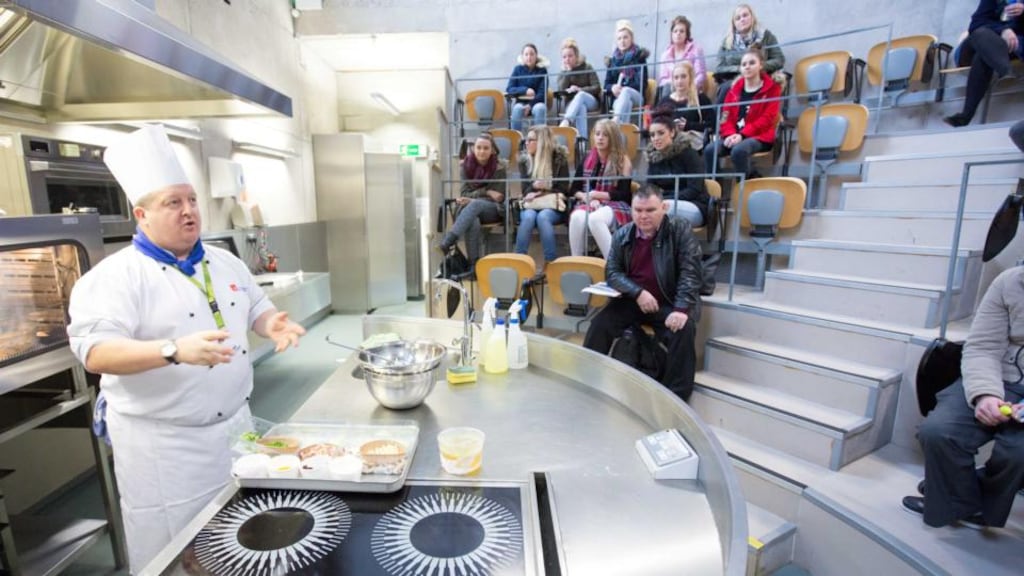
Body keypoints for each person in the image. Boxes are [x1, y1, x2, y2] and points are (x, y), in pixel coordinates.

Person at [67, 125, 307, 572]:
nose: (188, 211)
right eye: (172, 203)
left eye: (192, 200)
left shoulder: (223, 260)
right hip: (166, 448)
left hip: (235, 429)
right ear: (142, 215)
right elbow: (96, 353)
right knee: (176, 553)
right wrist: (172, 350)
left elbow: (256, 306)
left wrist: (271, 323)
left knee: (239, 539)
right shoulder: (114, 278)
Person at [902, 266, 1024, 529]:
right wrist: (985, 395)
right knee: (938, 431)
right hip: (998, 376)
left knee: (1017, 453)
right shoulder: (1009, 282)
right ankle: (962, 502)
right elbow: (982, 346)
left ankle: (967, 499)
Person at [583, 184, 703, 400]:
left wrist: (681, 308)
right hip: (634, 301)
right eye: (638, 210)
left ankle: (675, 398)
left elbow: (690, 272)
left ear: (664, 208)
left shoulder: (680, 230)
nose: (643, 216)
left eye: (650, 210)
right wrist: (638, 293)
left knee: (683, 330)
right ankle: (587, 380)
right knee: (599, 325)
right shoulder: (623, 234)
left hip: (668, 301)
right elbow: (612, 272)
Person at [944, 0, 1023, 128]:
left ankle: (966, 116)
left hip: (1008, 46)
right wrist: (1003, 30)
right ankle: (1006, 72)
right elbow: (976, 23)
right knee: (981, 34)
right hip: (978, 41)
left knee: (982, 55)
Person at [704, 48, 781, 179]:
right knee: (710, 150)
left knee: (738, 150)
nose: (747, 67)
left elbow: (767, 118)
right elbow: (725, 117)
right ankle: (715, 189)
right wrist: (730, 134)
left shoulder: (773, 89)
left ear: (761, 65)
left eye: (752, 63)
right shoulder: (733, 90)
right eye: (744, 64)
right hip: (734, 135)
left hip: (759, 136)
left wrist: (742, 134)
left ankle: (745, 185)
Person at [440, 132, 508, 267]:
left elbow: (498, 197)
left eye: (486, 148)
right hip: (470, 211)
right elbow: (464, 193)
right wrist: (487, 191)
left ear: (492, 150)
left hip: (492, 209)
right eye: (479, 147)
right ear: (474, 148)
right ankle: (473, 265)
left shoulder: (500, 167)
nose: (482, 151)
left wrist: (473, 199)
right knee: (473, 221)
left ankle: (449, 240)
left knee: (476, 204)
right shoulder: (465, 166)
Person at [568, 119, 633, 258]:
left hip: (616, 204)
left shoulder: (623, 160)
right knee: (577, 217)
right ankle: (577, 261)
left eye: (605, 135)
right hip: (589, 202)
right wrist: (586, 197)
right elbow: (573, 190)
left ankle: (613, 263)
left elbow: (624, 194)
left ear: (613, 138)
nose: (600, 138)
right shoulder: (587, 159)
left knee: (595, 219)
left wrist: (596, 195)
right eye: (597, 134)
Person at [644, 106, 710, 227]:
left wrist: (663, 199)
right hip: (663, 203)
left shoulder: (689, 154)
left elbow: (694, 189)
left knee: (663, 209)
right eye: (652, 135)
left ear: (672, 132)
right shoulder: (654, 158)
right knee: (641, 209)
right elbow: (650, 188)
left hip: (695, 205)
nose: (656, 138)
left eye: (661, 133)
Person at [515, 125, 571, 265]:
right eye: (526, 140)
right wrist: (534, 186)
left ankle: (550, 263)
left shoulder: (559, 159)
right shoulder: (524, 161)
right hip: (532, 204)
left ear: (542, 142)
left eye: (531, 140)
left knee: (543, 217)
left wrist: (546, 187)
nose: (526, 143)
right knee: (528, 217)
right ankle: (519, 262)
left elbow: (564, 189)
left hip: (552, 205)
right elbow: (525, 190)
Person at [714, 3, 785, 102]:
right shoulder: (727, 42)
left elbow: (779, 59)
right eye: (738, 18)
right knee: (726, 89)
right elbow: (719, 68)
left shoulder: (766, 36)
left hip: (761, 76)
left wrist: (758, 67)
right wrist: (740, 69)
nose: (742, 19)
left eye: (745, 15)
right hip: (734, 78)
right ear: (734, 24)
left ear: (752, 17)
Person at [656, 61, 717, 142]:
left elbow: (712, 125)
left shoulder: (701, 99)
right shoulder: (664, 101)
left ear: (690, 78)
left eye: (683, 77)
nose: (679, 81)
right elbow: (655, 124)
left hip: (691, 141)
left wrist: (689, 125)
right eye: (676, 78)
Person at [605, 19, 651, 125]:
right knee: (627, 103)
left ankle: (615, 121)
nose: (622, 41)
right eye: (619, 38)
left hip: (636, 95)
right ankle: (623, 133)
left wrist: (623, 87)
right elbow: (606, 84)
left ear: (631, 38)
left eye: (625, 37)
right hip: (618, 99)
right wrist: (612, 88)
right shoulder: (613, 61)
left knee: (626, 91)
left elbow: (642, 83)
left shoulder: (639, 57)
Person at [557, 37, 603, 139]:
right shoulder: (563, 72)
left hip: (591, 101)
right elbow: (561, 90)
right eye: (564, 57)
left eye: (570, 56)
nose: (567, 59)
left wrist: (579, 90)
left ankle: (566, 121)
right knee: (581, 108)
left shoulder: (587, 67)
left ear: (576, 56)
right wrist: (568, 73)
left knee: (581, 95)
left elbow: (597, 87)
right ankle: (582, 141)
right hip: (571, 104)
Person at [657, 15, 708, 97]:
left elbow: (701, 76)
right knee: (666, 88)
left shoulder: (696, 50)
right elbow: (663, 80)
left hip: (691, 89)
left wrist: (687, 86)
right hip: (671, 90)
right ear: (671, 34)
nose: (678, 34)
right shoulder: (665, 55)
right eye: (675, 31)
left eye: (681, 31)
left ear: (687, 34)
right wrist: (676, 84)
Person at [507, 43, 549, 133]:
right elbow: (510, 88)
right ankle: (516, 138)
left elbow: (542, 92)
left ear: (536, 56)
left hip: (537, 102)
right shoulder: (517, 69)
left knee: (540, 108)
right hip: (521, 102)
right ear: (522, 56)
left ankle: (539, 138)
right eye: (526, 54)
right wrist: (525, 90)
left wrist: (530, 105)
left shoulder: (542, 70)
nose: (529, 57)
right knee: (517, 109)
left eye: (532, 54)